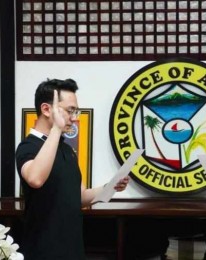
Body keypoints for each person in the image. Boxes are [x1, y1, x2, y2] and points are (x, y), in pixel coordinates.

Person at [15, 78, 130, 260]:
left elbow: (80, 197)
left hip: (73, 248)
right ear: (46, 109)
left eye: (75, 111)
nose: (74, 118)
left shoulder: (67, 150)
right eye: (70, 111)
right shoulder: (28, 147)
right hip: (42, 251)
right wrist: (56, 130)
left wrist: (111, 186)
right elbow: (35, 179)